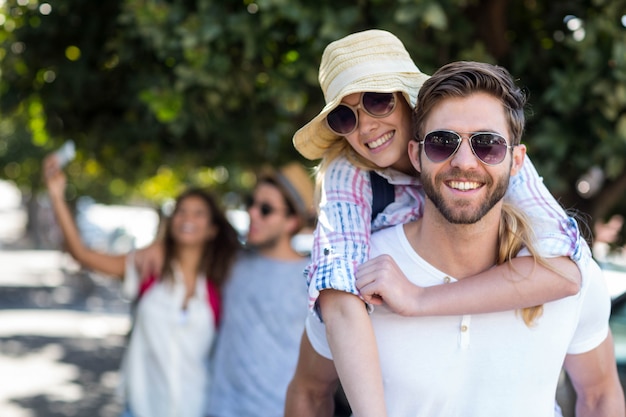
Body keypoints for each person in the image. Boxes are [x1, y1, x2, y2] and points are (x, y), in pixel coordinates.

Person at [295, 60, 625, 416]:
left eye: (487, 144)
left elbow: (600, 394)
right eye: (441, 142)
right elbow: (309, 392)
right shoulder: (357, 274)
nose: (465, 161)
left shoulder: (563, 261)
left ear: (516, 161)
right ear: (416, 153)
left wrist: (419, 298)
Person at [42, 154, 240, 417]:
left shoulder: (221, 282)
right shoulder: (147, 268)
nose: (187, 218)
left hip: (199, 408)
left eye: (198, 213)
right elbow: (82, 254)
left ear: (213, 229)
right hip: (141, 409)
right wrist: (56, 196)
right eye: (181, 211)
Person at [135, 162, 316, 417]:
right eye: (251, 203)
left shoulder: (313, 277)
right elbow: (189, 240)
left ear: (292, 221)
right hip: (218, 409)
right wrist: (158, 245)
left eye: (265, 209)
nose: (252, 213)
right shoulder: (231, 261)